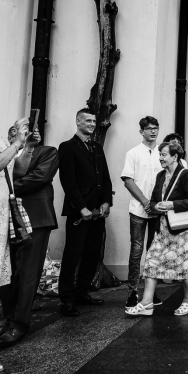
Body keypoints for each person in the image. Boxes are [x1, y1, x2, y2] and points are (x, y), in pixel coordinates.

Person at [125, 142, 188, 316]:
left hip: (183, 231)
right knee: (152, 261)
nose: (160, 157)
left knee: (185, 267)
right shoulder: (161, 175)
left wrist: (172, 204)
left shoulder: (186, 175)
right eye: (160, 154)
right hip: (163, 229)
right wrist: (155, 206)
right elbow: (153, 200)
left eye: (164, 154)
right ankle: (146, 304)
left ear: (175, 157)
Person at [57, 108, 113, 317]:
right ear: (78, 121)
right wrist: (81, 208)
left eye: (94, 121)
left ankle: (82, 292)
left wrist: (107, 201)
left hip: (98, 211)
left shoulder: (97, 147)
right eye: (88, 120)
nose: (92, 124)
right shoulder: (67, 147)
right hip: (78, 212)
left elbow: (105, 177)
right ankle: (67, 299)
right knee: (72, 255)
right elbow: (68, 182)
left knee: (92, 253)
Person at [121, 116, 164, 308]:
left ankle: (150, 292)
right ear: (141, 131)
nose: (153, 131)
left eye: (156, 128)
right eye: (149, 129)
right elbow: (128, 181)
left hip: (158, 209)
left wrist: (157, 204)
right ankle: (132, 291)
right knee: (136, 251)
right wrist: (146, 201)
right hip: (139, 209)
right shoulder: (133, 153)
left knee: (154, 251)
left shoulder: (163, 153)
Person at [0, 121, 32, 345]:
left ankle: (7, 319)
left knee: (6, 268)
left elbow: (17, 170)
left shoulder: (3, 142)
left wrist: (27, 146)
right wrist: (18, 142)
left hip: (4, 213)